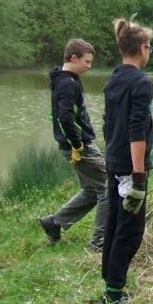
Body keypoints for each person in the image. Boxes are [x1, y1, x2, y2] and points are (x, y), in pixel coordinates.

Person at [98, 18, 153, 304]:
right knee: (130, 230)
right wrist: (139, 177)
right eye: (149, 47)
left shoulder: (115, 77)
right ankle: (113, 296)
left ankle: (110, 281)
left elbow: (108, 125)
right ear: (142, 48)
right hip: (129, 167)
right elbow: (137, 131)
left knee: (115, 223)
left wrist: (113, 159)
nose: (150, 52)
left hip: (113, 161)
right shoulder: (142, 83)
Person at [39, 39, 108, 251]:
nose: (89, 66)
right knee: (108, 186)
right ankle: (99, 242)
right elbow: (64, 118)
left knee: (91, 189)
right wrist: (77, 146)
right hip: (80, 146)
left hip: (79, 144)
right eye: (87, 61)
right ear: (74, 58)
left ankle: (55, 222)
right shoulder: (66, 83)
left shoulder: (69, 79)